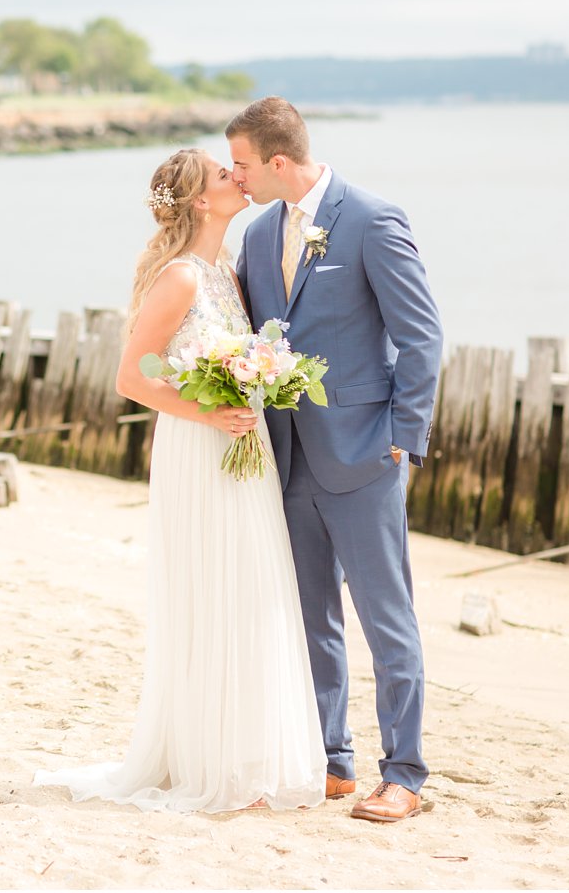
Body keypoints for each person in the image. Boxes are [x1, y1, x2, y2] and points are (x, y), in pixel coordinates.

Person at [33, 147, 326, 813]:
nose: (239, 176)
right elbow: (132, 378)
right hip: (200, 449)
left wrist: (258, 385)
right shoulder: (181, 280)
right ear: (202, 200)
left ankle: (244, 756)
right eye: (226, 174)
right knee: (214, 590)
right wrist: (212, 410)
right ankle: (211, 764)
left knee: (250, 592)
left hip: (239, 448)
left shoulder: (226, 273)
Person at [229, 97, 443, 823]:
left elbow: (421, 337)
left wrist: (404, 435)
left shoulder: (373, 220)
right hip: (287, 458)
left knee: (388, 618)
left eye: (244, 165)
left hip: (365, 454)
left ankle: (405, 773)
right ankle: (332, 763)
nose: (239, 178)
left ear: (279, 161)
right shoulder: (258, 236)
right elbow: (258, 339)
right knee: (310, 616)